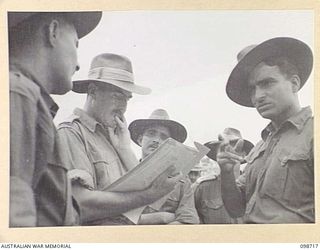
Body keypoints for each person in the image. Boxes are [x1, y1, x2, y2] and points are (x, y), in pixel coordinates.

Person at [58, 54, 182, 225]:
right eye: (117, 96)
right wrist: (148, 196)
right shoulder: (72, 132)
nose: (123, 107)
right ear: (93, 92)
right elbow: (79, 204)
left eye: (127, 98)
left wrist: (124, 149)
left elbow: (138, 199)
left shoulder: (113, 137)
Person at [9, 11, 102, 227]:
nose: (78, 65)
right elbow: (13, 218)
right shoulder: (19, 93)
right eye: (76, 45)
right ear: (53, 31)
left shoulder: (26, 98)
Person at [218, 37, 314, 223]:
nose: (258, 96)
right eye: (252, 89)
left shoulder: (312, 134)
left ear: (294, 83)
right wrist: (227, 173)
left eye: (267, 83)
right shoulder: (260, 146)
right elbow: (236, 209)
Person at [129, 109, 199, 225]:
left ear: (170, 146)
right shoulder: (124, 171)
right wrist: (161, 218)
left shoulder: (180, 181)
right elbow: (111, 218)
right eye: (151, 133)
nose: (156, 140)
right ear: (141, 139)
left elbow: (189, 221)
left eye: (163, 137)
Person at [193, 128, 253, 224]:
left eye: (234, 145)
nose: (228, 150)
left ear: (243, 154)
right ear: (217, 155)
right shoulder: (202, 188)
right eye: (223, 148)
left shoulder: (253, 185)